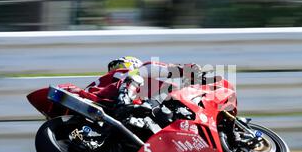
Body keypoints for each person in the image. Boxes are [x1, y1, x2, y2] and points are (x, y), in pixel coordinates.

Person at [66, 56, 202, 107]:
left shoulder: (148, 83)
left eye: (120, 65)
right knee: (141, 72)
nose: (115, 69)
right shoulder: (134, 73)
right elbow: (152, 68)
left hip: (103, 104)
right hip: (106, 100)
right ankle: (125, 100)